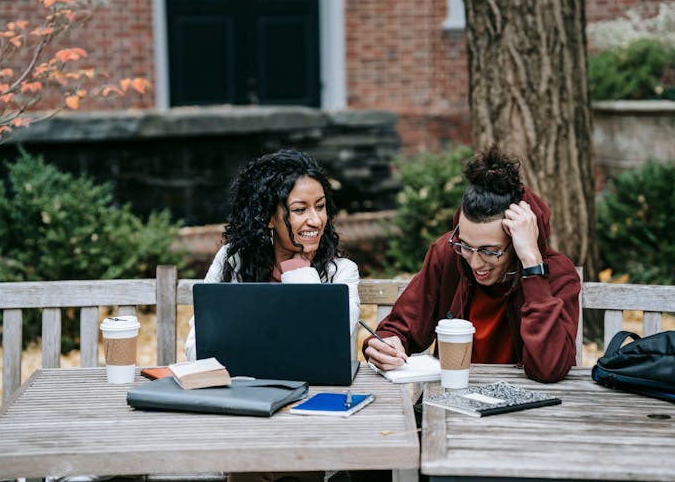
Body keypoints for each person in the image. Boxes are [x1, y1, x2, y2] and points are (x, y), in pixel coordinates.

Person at [363, 144, 580, 383]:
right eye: (465, 245)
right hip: (453, 400)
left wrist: (532, 264)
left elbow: (549, 368)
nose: (475, 262)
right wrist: (384, 344)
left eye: (490, 251)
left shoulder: (557, 274)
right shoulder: (447, 254)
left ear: (518, 239)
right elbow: (401, 327)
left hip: (528, 412)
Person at [185, 148, 360, 362]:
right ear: (268, 217)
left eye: (320, 206)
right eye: (300, 210)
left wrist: (299, 271)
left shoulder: (341, 273)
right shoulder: (234, 261)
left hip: (316, 391)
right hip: (244, 389)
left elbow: (322, 348)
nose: (316, 220)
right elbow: (197, 349)